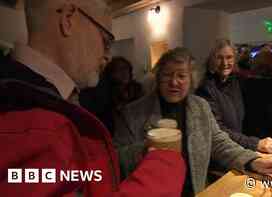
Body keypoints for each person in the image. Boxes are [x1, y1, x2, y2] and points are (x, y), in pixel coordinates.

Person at [0, 0, 185, 196]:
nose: (108, 55)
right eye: (106, 40)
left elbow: (86, 179)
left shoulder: (51, 99)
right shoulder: (22, 120)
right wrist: (163, 166)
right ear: (68, 19)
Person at [113, 47, 272, 196]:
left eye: (181, 76)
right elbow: (116, 160)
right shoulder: (132, 113)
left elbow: (219, 142)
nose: (174, 82)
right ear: (158, 78)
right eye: (167, 75)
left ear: (191, 80)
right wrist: (146, 149)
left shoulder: (200, 106)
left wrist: (252, 160)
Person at [196, 39, 272, 153]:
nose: (225, 63)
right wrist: (254, 143)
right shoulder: (205, 89)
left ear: (235, 59)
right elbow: (218, 129)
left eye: (229, 57)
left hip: (237, 148)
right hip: (220, 154)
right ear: (211, 60)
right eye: (219, 58)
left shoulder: (235, 82)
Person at [80, 56, 144, 135]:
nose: (124, 72)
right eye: (119, 70)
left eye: (126, 68)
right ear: (111, 73)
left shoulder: (136, 88)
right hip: (114, 132)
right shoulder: (105, 91)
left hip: (137, 127)